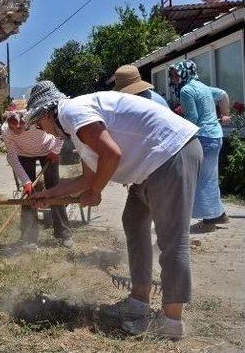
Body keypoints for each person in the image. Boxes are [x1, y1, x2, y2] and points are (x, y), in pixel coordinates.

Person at [24, 81, 202, 340]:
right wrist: (47, 195)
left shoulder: (72, 112)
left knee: (173, 240)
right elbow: (86, 179)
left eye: (40, 124)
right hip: (151, 164)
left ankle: (171, 322)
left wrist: (96, 191)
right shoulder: (75, 127)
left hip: (171, 152)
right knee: (133, 221)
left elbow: (111, 154)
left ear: (47, 113)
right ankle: (139, 303)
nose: (43, 131)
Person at [169, 60, 231, 231]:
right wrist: (225, 114)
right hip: (216, 136)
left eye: (176, 74)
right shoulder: (202, 87)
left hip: (203, 137)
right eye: (172, 74)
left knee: (201, 178)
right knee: (210, 174)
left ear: (184, 74)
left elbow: (193, 118)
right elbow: (223, 94)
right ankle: (219, 214)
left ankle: (209, 220)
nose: (173, 78)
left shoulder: (186, 90)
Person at [0, 107, 72, 248]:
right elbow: (13, 158)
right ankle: (29, 237)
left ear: (27, 120)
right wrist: (26, 182)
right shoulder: (5, 131)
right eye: (13, 124)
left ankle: (64, 234)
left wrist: (55, 150)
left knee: (54, 189)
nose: (18, 127)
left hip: (48, 150)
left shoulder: (37, 120)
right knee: (29, 193)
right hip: (24, 154)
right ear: (7, 122)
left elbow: (60, 131)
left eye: (21, 124)